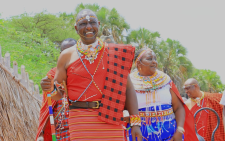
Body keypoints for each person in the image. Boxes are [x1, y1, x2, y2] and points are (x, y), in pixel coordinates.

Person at [42, 9, 142, 141]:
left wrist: (135, 123)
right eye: (83, 24)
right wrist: (49, 89)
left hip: (111, 117)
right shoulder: (66, 56)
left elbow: (128, 88)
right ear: (76, 28)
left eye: (92, 22)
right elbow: (59, 94)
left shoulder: (115, 52)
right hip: (80, 120)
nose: (89, 27)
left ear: (98, 24)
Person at [126, 48, 198, 141]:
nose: (154, 62)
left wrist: (179, 131)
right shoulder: (129, 82)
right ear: (138, 63)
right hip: (139, 135)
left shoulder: (165, 80)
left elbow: (179, 108)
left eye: (155, 59)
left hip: (170, 136)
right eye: (149, 59)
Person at [36, 38, 77, 141]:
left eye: (72, 51)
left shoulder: (85, 74)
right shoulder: (53, 75)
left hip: (80, 129)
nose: (69, 55)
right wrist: (41, 132)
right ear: (60, 54)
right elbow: (46, 105)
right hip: (59, 132)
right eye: (65, 52)